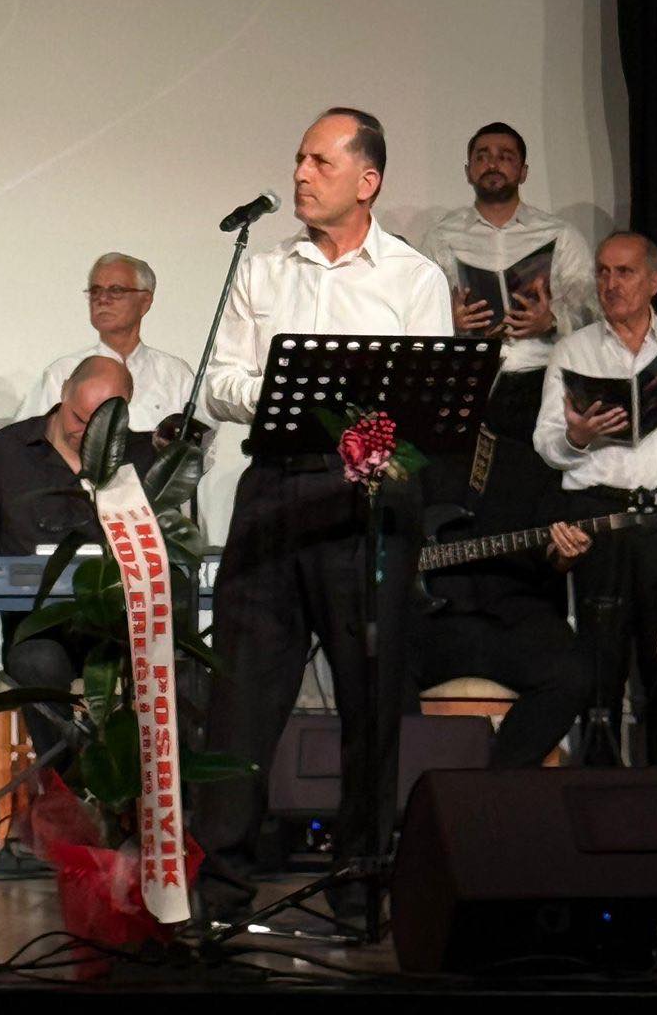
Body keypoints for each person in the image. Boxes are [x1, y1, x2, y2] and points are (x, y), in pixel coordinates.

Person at [196, 108, 452, 921]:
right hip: (275, 489)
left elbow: (429, 404)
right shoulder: (264, 270)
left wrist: (360, 422)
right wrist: (293, 395)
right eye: (299, 160)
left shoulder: (413, 279)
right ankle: (220, 895)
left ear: (366, 180)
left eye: (319, 162)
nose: (301, 175)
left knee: (370, 702)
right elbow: (218, 382)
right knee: (239, 702)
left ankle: (361, 888)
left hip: (369, 497)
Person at [534, 230, 657, 764]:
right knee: (601, 657)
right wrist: (578, 437)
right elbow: (547, 445)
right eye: (602, 271)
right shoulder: (574, 349)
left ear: (655, 281)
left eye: (624, 272)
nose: (610, 283)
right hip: (598, 516)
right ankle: (598, 783)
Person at [0, 355, 151, 756]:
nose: (84, 433)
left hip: (117, 630)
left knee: (181, 669)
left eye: (100, 424)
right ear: (63, 392)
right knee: (38, 664)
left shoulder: (140, 456)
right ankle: (68, 780)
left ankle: (159, 788)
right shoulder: (11, 449)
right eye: (78, 418)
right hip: (38, 629)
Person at [422, 123, 595, 497]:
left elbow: (594, 314)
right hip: (472, 380)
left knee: (537, 493)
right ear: (468, 170)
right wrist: (450, 321)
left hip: (540, 378)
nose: (492, 164)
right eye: (482, 156)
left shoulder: (559, 234)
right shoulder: (441, 237)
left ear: (523, 171)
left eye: (505, 157)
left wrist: (552, 320)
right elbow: (419, 314)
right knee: (470, 495)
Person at [406, 470, 595, 768]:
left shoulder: (523, 461)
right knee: (380, 664)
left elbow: (550, 555)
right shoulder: (400, 457)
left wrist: (562, 555)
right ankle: (415, 779)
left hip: (509, 618)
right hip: (427, 626)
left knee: (572, 672)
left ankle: (497, 777)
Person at [16, 254, 199, 434]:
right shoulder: (62, 373)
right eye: (95, 291)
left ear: (145, 301)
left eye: (116, 290)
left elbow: (201, 445)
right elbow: (26, 441)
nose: (102, 299)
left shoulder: (176, 375)